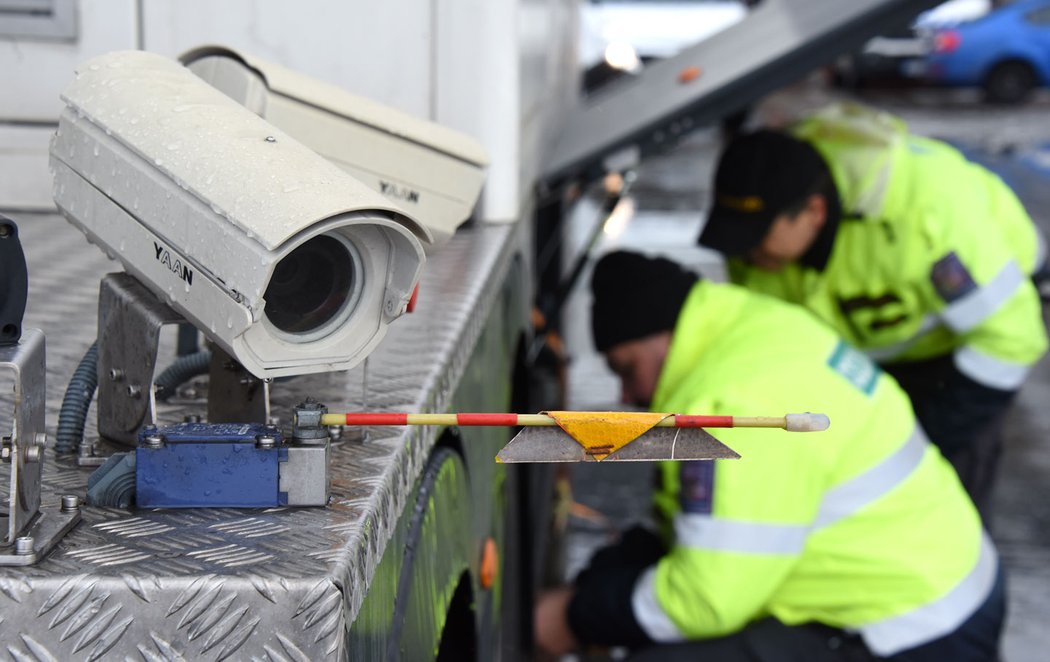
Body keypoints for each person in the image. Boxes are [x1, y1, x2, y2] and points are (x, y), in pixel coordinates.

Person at [533, 251, 1003, 661]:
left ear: (666, 338)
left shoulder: (734, 406)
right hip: (940, 588)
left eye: (627, 368)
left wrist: (576, 618)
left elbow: (707, 600)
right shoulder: (755, 327)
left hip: (912, 633)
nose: (627, 394)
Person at [697, 102, 1048, 516]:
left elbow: (1009, 339)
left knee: (941, 503)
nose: (748, 257)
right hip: (868, 356)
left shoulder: (926, 213)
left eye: (757, 240)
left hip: (960, 352)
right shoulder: (763, 236)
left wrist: (930, 441)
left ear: (814, 211)